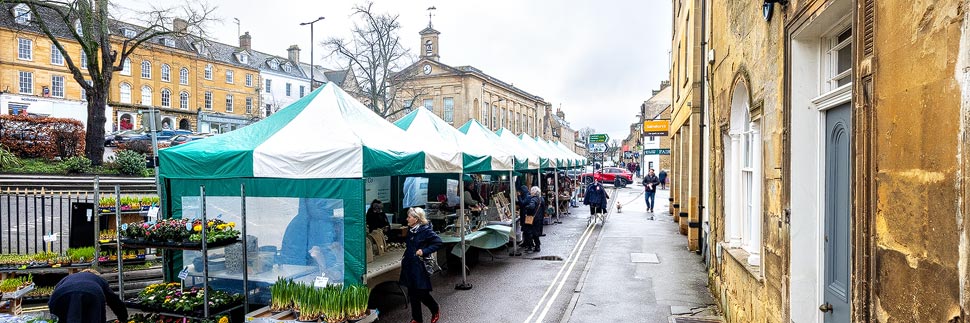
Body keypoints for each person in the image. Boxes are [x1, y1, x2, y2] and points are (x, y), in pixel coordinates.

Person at [400, 207, 443, 323]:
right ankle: (417, 319)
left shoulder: (425, 231)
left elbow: (438, 242)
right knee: (412, 293)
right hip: (409, 264)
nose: (407, 219)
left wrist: (424, 251)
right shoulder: (411, 229)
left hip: (420, 266)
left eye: (409, 217)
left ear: (416, 219)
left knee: (422, 292)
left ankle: (435, 309)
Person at [48, 269, 128, 323]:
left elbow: (53, 298)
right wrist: (123, 317)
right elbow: (114, 300)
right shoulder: (98, 279)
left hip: (61, 294)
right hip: (92, 293)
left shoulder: (67, 278)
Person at [524, 186, 545, 252]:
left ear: (534, 192)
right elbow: (544, 208)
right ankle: (537, 246)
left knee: (529, 232)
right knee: (536, 233)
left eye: (531, 191)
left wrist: (526, 207)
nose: (530, 192)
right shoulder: (541, 199)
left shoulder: (533, 199)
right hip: (539, 219)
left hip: (532, 219)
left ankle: (530, 246)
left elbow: (531, 206)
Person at [516, 185, 534, 250]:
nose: (520, 192)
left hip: (526, 216)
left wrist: (518, 196)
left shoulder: (528, 196)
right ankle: (526, 243)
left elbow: (522, 203)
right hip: (525, 215)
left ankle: (529, 244)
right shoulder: (527, 195)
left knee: (527, 230)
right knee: (525, 229)